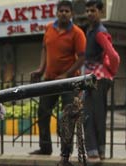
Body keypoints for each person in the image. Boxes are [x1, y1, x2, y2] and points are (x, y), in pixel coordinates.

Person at [29, 0, 85, 156]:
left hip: (69, 81)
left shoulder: (77, 33)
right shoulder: (48, 28)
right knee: (43, 112)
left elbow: (82, 58)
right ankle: (45, 147)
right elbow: (44, 49)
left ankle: (66, 151)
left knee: (68, 116)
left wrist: (67, 74)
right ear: (56, 12)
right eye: (61, 11)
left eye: (67, 11)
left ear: (72, 14)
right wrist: (41, 69)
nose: (64, 13)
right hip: (50, 79)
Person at [82, 0, 120, 162]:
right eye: (88, 10)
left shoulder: (99, 32)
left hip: (98, 78)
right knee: (91, 115)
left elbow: (114, 56)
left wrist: (111, 71)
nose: (90, 13)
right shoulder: (90, 31)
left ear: (100, 12)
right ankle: (95, 151)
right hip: (92, 78)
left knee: (93, 115)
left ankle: (96, 152)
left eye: (93, 10)